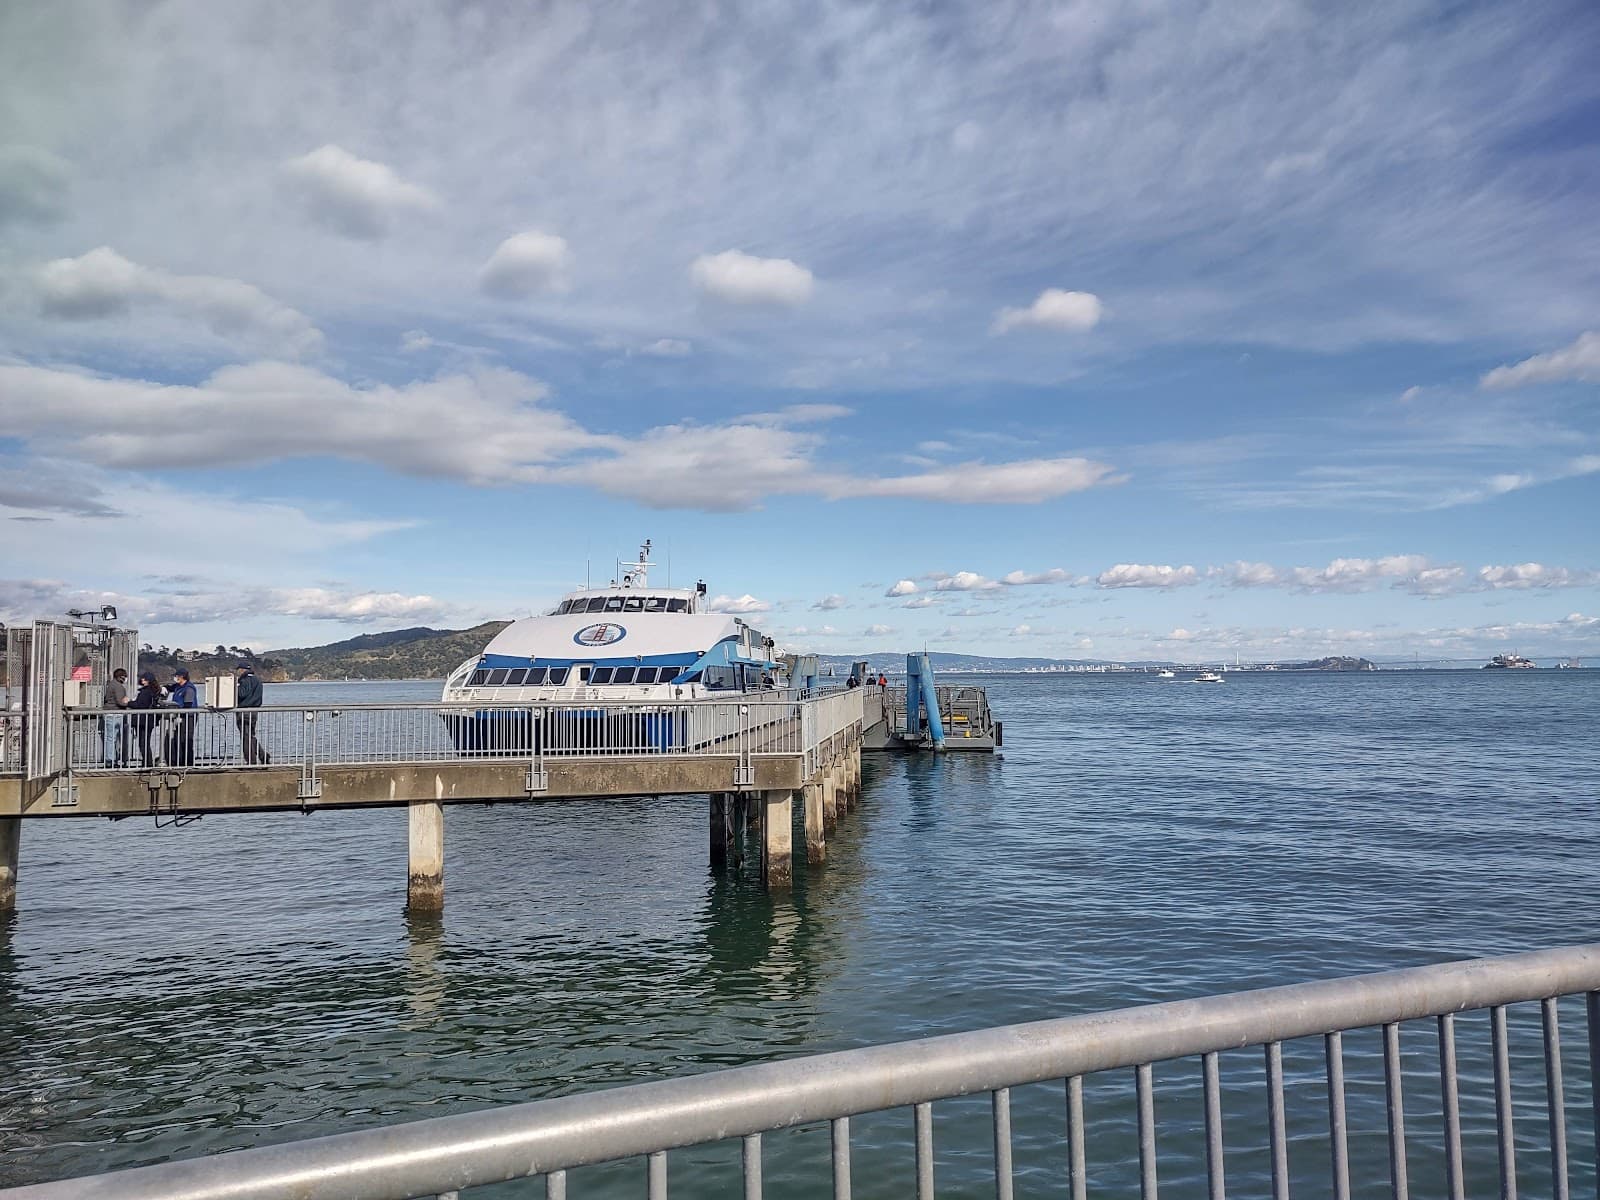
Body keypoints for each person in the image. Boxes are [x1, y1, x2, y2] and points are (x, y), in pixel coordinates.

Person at [234, 662, 270, 765]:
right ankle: (263, 755)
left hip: (244, 710)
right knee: (250, 735)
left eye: (238, 670)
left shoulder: (245, 680)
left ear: (242, 670)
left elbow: (242, 693)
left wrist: (235, 686)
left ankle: (251, 761)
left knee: (246, 737)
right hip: (254, 710)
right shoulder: (257, 680)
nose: (237, 672)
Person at [127, 670, 165, 766]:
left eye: (144, 678)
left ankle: (147, 764)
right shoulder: (154, 691)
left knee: (143, 743)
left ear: (147, 680)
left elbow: (140, 705)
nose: (141, 679)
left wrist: (129, 702)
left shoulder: (146, 692)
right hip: (149, 720)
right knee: (145, 742)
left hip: (142, 720)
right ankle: (147, 763)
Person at [165, 667, 199, 766]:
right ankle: (178, 761)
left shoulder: (189, 688)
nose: (175, 678)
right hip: (179, 717)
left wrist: (181, 714)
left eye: (177, 676)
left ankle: (188, 763)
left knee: (186, 739)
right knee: (177, 739)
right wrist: (163, 688)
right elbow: (170, 687)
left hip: (188, 717)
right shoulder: (178, 687)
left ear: (182, 677)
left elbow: (188, 704)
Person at [102, 667, 130, 766]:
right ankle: (111, 759)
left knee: (110, 737)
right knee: (113, 738)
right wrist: (128, 702)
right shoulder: (118, 687)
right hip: (115, 714)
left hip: (109, 713)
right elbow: (120, 701)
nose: (125, 679)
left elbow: (107, 699)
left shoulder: (111, 685)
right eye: (124, 677)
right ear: (120, 677)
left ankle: (111, 759)